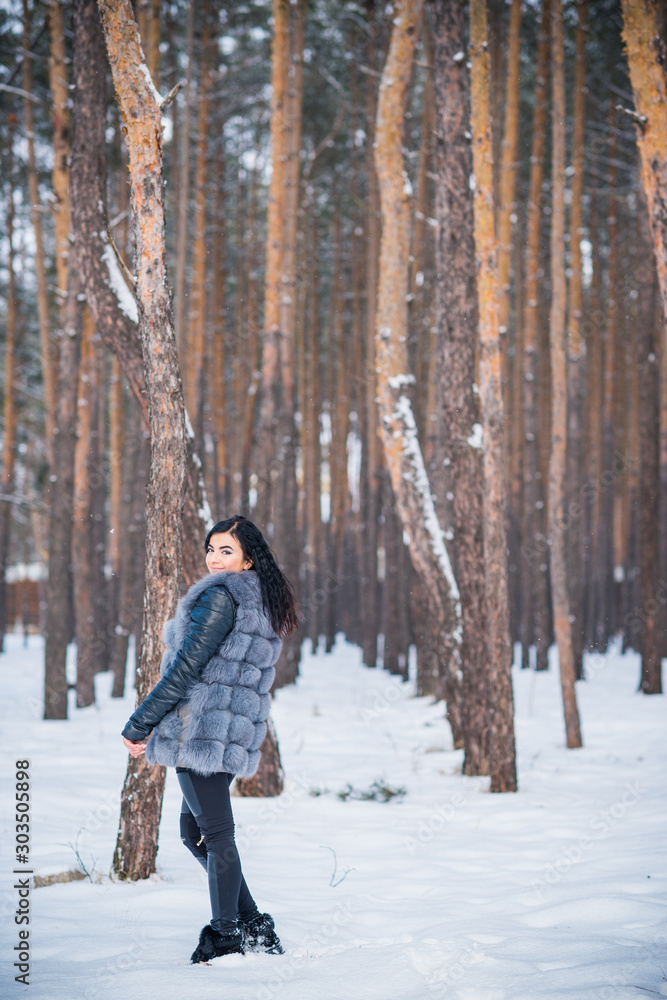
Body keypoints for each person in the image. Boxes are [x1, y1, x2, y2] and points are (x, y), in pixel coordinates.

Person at [121, 514, 298, 965]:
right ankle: (252, 922)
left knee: (215, 836)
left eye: (226, 551)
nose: (214, 559)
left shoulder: (219, 599)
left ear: (246, 560)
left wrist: (140, 723)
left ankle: (225, 936)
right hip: (226, 734)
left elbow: (185, 671)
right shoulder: (258, 598)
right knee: (193, 833)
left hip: (200, 732)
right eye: (211, 549)